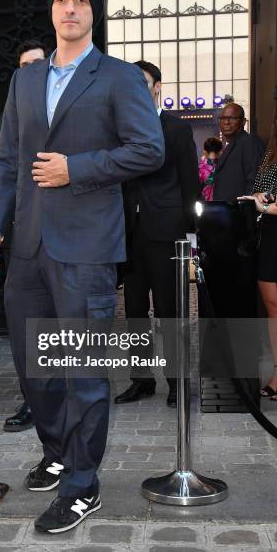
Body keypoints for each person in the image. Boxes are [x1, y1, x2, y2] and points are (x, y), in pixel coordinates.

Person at [0, 0, 164, 534]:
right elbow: (8, 158)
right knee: (36, 370)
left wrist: (76, 169)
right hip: (28, 244)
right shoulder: (26, 81)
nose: (70, 8)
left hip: (86, 247)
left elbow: (147, 149)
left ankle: (84, 485)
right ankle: (59, 450)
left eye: (81, 0)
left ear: (93, 13)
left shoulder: (119, 77)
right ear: (51, 10)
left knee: (81, 369)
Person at [115, 60, 199, 408]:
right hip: (130, 234)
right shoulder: (120, 129)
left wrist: (190, 234)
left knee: (169, 311)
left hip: (166, 232)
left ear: (157, 87)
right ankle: (142, 380)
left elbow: (190, 183)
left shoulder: (176, 129)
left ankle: (179, 383)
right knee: (134, 310)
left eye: (143, 82)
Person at [2, 40, 46, 433]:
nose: (30, 72)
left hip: (72, 243)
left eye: (37, 64)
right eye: (23, 67)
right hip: (25, 237)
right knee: (26, 333)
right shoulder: (17, 106)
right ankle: (32, 402)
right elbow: (6, 167)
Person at [239, 107, 277, 398]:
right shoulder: (270, 153)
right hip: (269, 235)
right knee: (271, 307)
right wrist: (258, 198)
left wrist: (263, 206)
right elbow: (260, 191)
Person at [213, 103, 263, 201]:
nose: (226, 122)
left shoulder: (250, 141)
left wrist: (248, 210)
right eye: (223, 118)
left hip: (241, 211)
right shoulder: (231, 145)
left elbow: (254, 180)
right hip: (226, 210)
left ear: (243, 122)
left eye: (232, 118)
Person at [199, 137, 223, 201]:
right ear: (220, 151)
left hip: (204, 205)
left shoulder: (200, 168)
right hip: (222, 203)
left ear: (205, 151)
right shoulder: (224, 167)